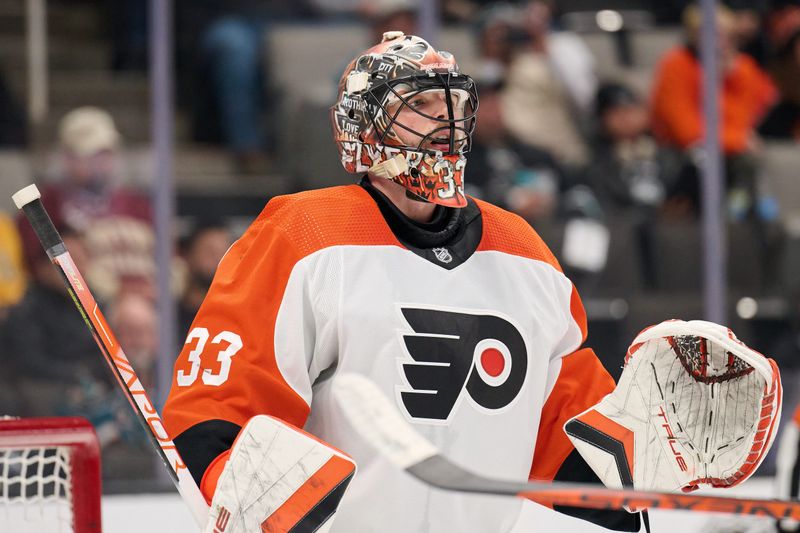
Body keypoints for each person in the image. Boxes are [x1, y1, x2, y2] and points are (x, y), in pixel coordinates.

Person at [163, 31, 641, 533]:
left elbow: (565, 432)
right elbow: (217, 406)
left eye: (452, 103)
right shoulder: (302, 235)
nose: (445, 121)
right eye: (421, 104)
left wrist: (645, 453)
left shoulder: (523, 250)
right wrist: (227, 486)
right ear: (362, 126)